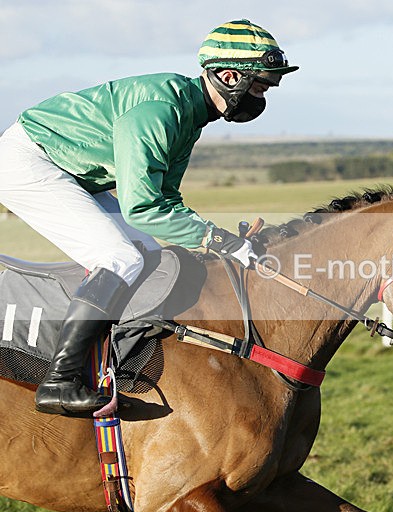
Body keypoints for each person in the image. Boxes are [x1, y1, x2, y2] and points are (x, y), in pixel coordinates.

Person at [0, 19, 298, 417]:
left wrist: (217, 239)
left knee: (146, 252)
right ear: (229, 76)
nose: (262, 98)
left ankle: (115, 359)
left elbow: (165, 200)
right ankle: (60, 381)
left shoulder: (189, 112)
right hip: (29, 162)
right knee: (120, 258)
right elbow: (141, 207)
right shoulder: (162, 109)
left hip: (67, 169)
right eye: (260, 86)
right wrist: (219, 241)